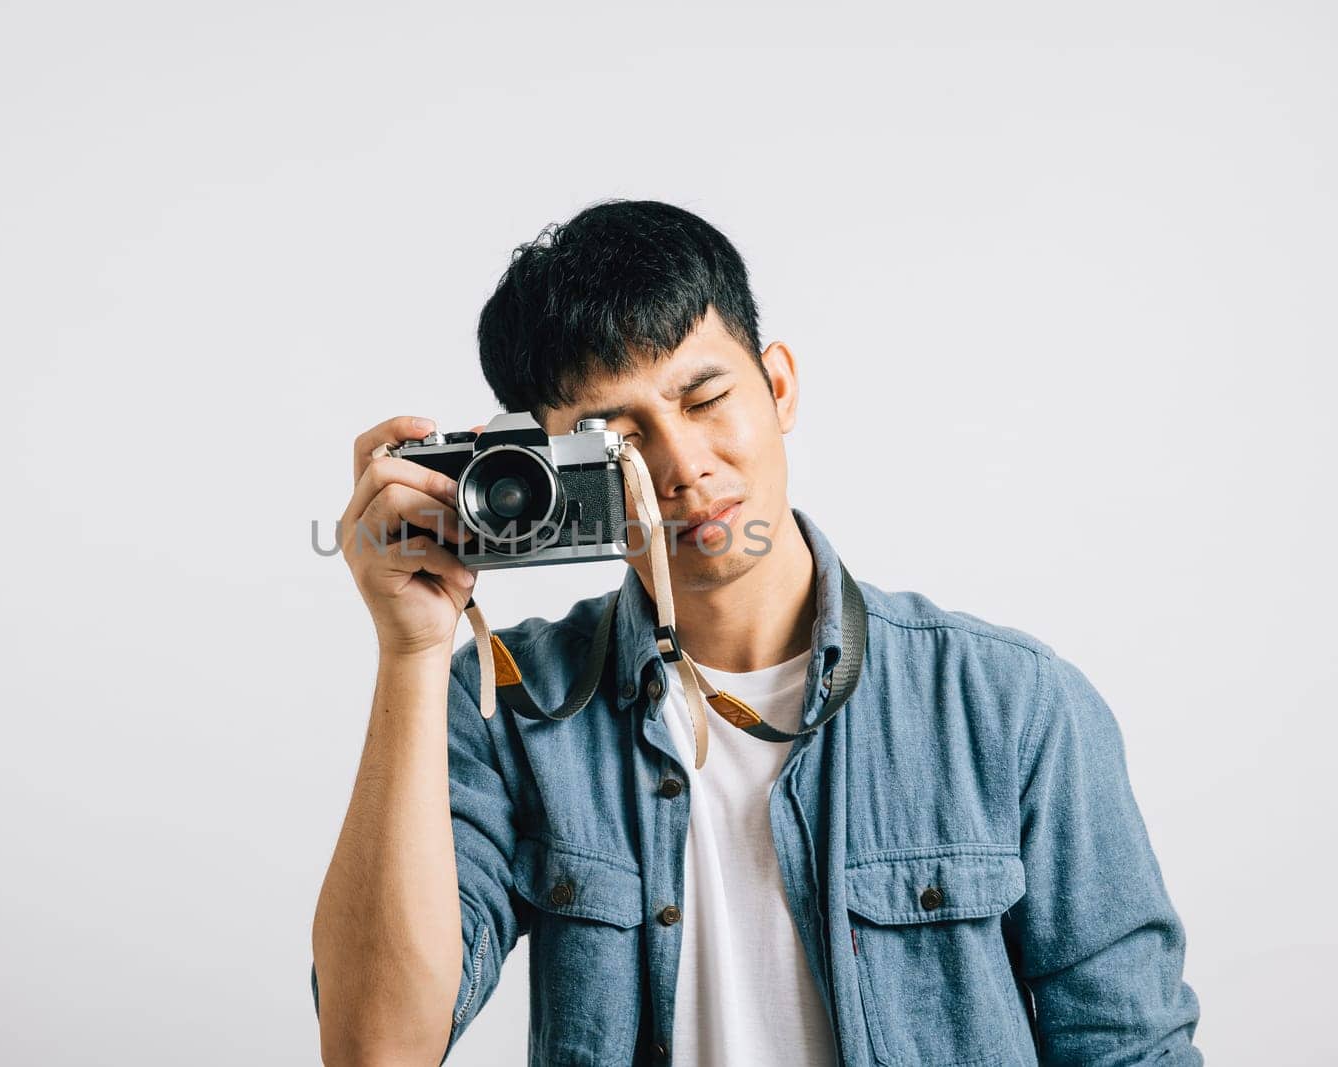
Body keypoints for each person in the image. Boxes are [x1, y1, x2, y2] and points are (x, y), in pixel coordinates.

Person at [309, 199, 1202, 1066]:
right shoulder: (509, 702)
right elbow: (377, 1050)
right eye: (617, 442)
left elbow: (1130, 1048)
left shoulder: (1010, 704)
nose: (682, 466)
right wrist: (412, 652)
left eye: (703, 398)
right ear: (545, 475)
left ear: (778, 385)